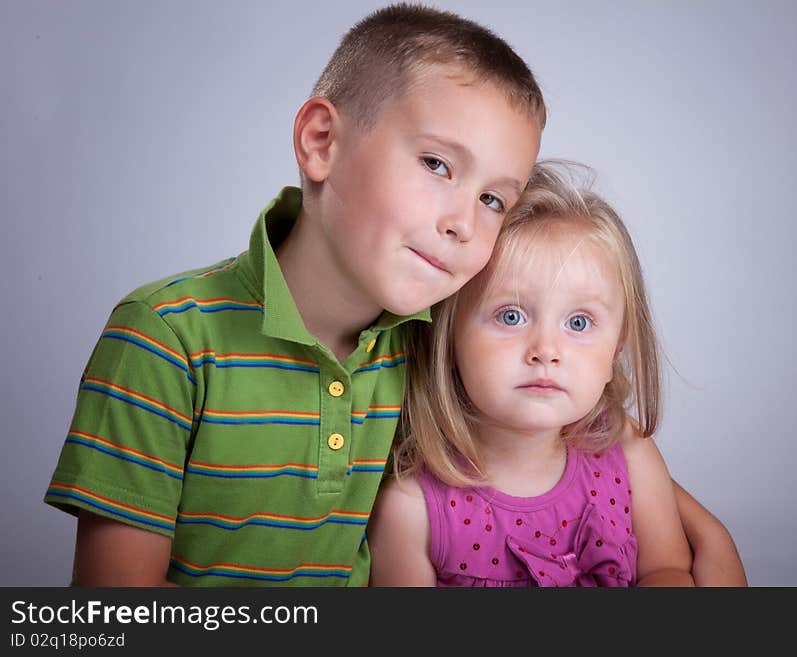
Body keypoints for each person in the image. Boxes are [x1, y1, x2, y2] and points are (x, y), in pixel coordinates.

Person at [45, 4, 742, 587]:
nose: (463, 221)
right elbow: (113, 615)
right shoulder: (166, 339)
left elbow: (590, 444)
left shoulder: (433, 341)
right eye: (437, 164)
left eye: (494, 197)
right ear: (322, 142)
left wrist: (708, 541)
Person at [368, 161, 746, 586]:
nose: (545, 351)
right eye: (510, 316)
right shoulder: (412, 509)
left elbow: (667, 570)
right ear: (449, 340)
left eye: (579, 323)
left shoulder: (630, 458)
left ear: (616, 349)